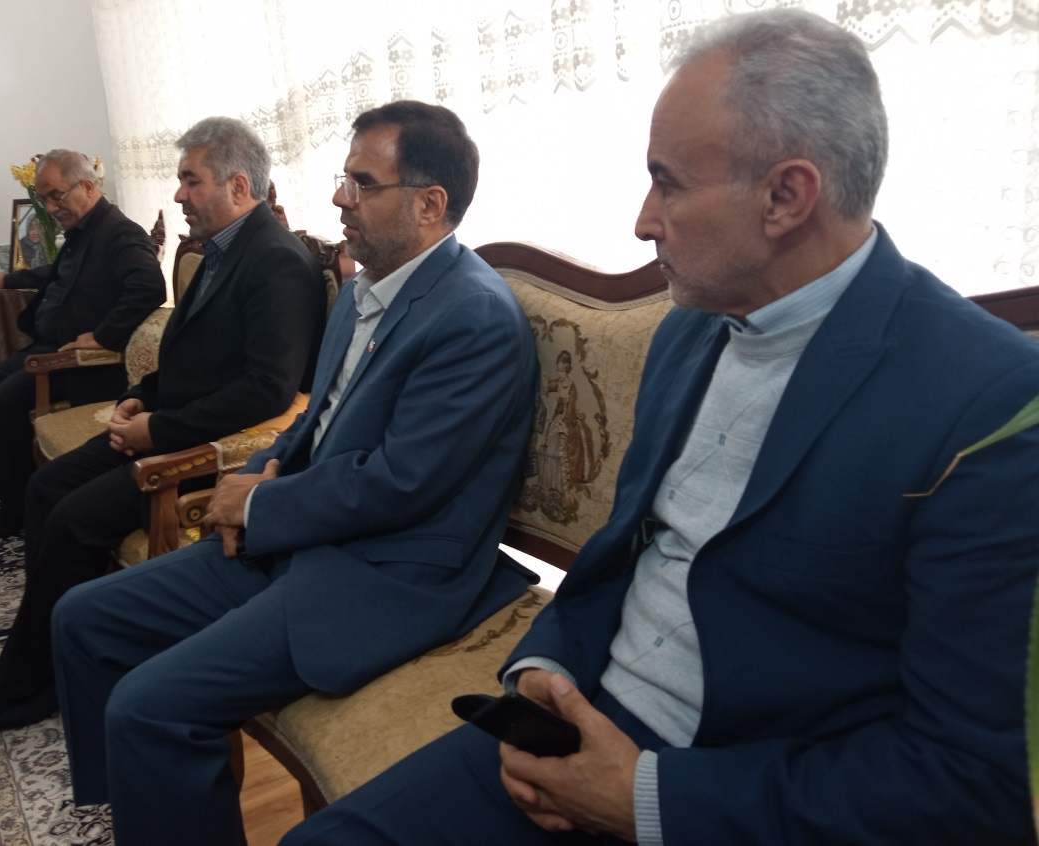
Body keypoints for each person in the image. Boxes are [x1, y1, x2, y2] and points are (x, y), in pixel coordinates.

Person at [283, 10, 1039, 846]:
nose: (643, 222)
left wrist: (646, 797)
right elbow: (623, 554)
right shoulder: (688, 331)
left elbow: (969, 784)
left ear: (787, 196)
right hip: (581, 722)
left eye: (668, 183)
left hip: (742, 796)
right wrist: (545, 668)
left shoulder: (989, 405)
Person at [49, 100, 539, 846]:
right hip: (305, 537)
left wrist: (259, 507)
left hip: (385, 571)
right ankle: (133, 807)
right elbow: (312, 426)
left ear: (429, 204)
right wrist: (253, 477)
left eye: (362, 183)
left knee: (150, 706)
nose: (340, 198)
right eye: (345, 178)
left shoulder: (473, 317)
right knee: (82, 618)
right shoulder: (363, 292)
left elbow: (401, 483)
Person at [0, 117, 326, 739]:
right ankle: (47, 661)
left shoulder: (277, 261)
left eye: (190, 181)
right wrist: (140, 398)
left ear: (238, 186)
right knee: (44, 487)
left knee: (72, 518)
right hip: (169, 422)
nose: (178, 195)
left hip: (200, 448)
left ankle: (29, 682)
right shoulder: (223, 250)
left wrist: (159, 430)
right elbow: (191, 358)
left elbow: (267, 390)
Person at [0, 149, 165, 539]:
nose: (50, 207)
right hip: (49, 345)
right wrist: (7, 280)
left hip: (83, 364)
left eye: (56, 196)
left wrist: (104, 335)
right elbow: (58, 273)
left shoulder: (120, 232)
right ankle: (16, 488)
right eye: (44, 198)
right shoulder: (83, 229)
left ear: (88, 187)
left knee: (0, 401)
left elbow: (150, 287)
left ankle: (18, 509)